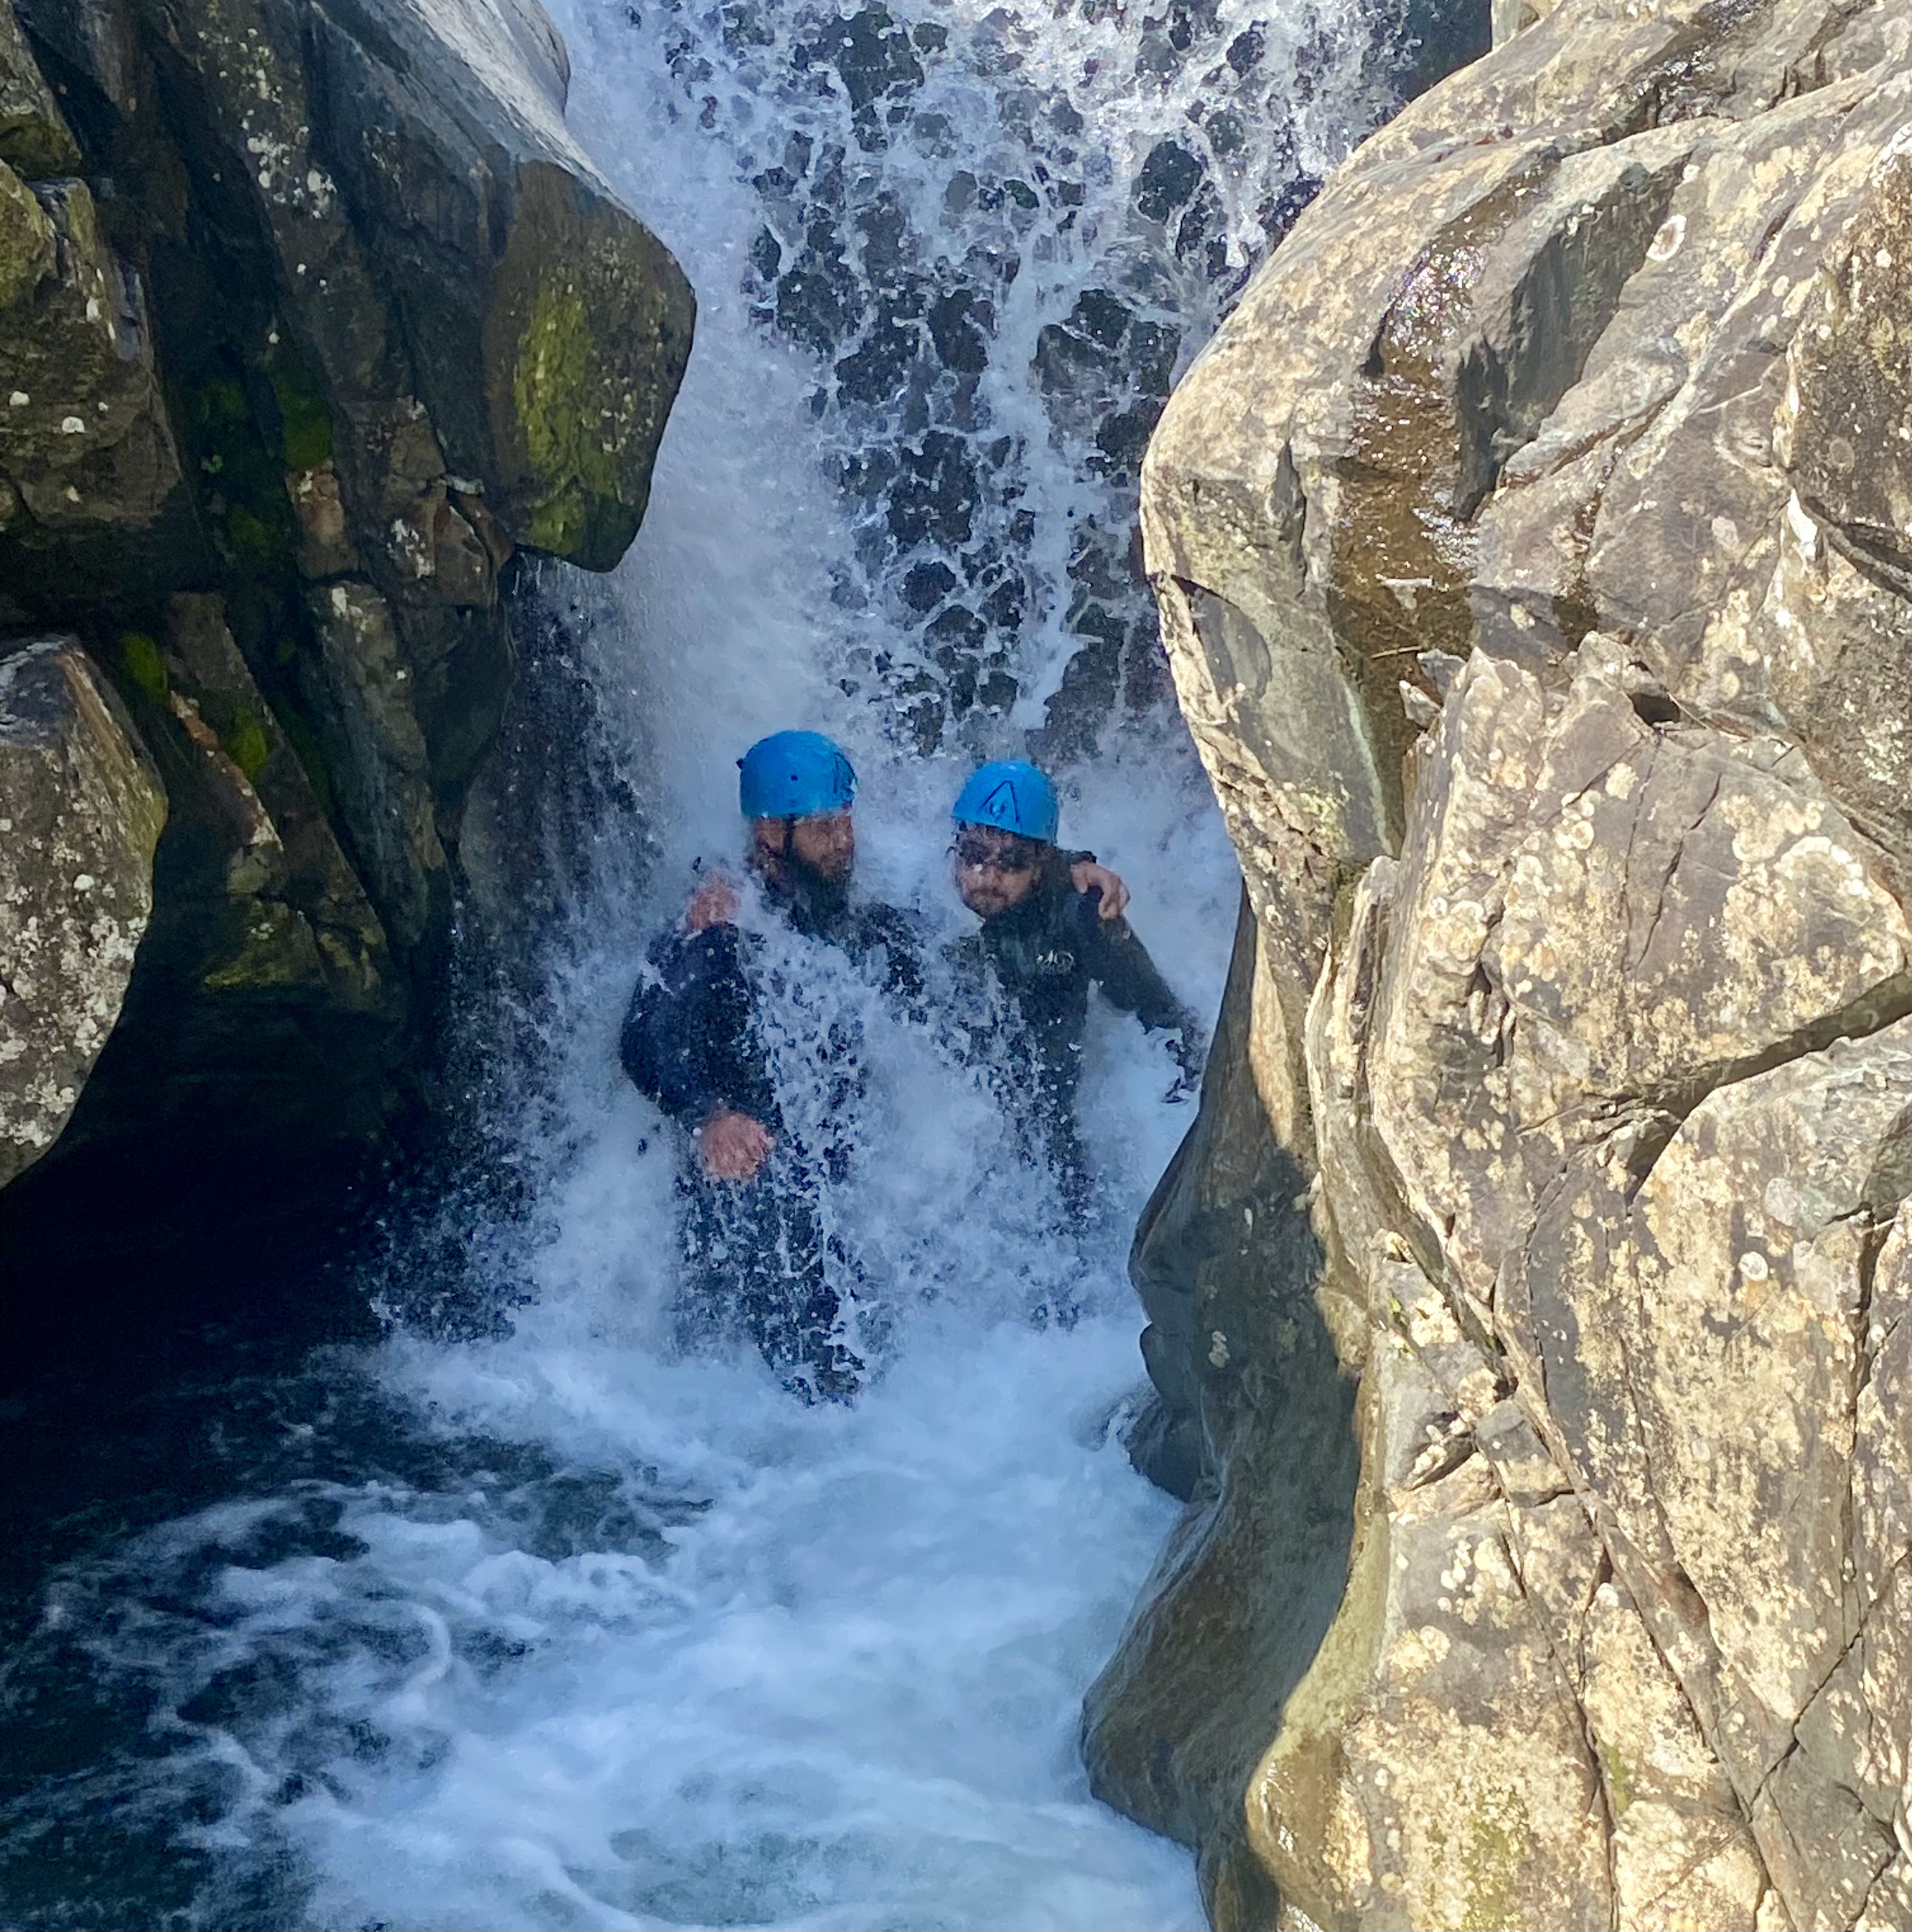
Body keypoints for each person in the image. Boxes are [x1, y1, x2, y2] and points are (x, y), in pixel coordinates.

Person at [619, 730, 1130, 1398]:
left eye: (847, 819)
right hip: (758, 1172)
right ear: (772, 833)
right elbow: (643, 1034)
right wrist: (709, 1116)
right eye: (827, 826)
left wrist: (1070, 870)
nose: (844, 840)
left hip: (848, 1168)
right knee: (822, 1379)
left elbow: (980, 867)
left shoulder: (849, 901)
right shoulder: (718, 924)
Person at [948, 759, 1205, 1217]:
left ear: (1040, 864)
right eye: (973, 856)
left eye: (1011, 863)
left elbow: (1160, 1013)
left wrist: (1186, 1098)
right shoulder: (925, 898)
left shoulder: (1080, 917)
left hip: (1047, 1107)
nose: (986, 877)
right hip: (958, 1112)